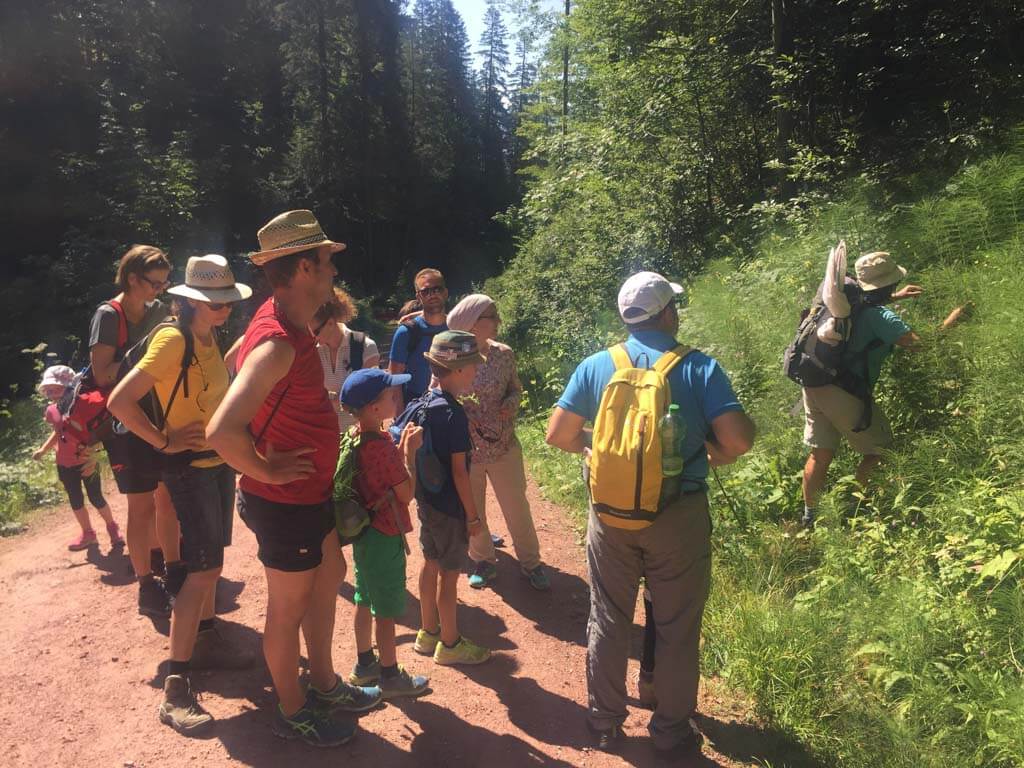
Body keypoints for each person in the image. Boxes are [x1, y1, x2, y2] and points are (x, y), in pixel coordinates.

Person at [546, 271, 756, 758]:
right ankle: (670, 729)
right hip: (676, 516)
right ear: (666, 314)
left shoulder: (599, 365)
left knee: (609, 616)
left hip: (610, 515)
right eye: (674, 307)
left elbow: (557, 434)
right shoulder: (699, 368)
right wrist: (714, 449)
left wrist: (597, 453)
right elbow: (739, 440)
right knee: (678, 623)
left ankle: (603, 721)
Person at [206, 210, 380, 748]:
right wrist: (264, 465)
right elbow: (220, 430)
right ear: (305, 267)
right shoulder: (279, 341)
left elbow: (236, 359)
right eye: (326, 261)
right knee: (288, 608)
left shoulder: (283, 321)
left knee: (328, 577)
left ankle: (324, 682)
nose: (332, 271)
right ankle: (291, 707)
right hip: (284, 501)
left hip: (308, 495)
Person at [108, 254, 255, 735]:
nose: (224, 309)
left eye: (227, 301)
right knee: (203, 569)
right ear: (189, 301)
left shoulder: (210, 337)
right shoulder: (173, 339)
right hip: (189, 468)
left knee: (212, 561)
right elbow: (120, 401)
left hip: (216, 464)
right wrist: (164, 440)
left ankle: (208, 637)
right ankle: (177, 685)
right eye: (215, 303)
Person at [89, 244, 181, 618]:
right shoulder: (108, 316)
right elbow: (102, 374)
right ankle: (146, 584)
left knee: (168, 497)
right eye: (154, 283)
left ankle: (173, 570)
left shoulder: (159, 309)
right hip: (125, 422)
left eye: (164, 283)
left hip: (160, 415)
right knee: (140, 505)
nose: (160, 290)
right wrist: (143, 358)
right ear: (132, 279)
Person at [800, 252, 922, 527]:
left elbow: (869, 303)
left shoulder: (842, 301)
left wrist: (895, 297)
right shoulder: (882, 318)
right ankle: (857, 510)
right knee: (879, 450)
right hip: (843, 390)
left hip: (815, 382)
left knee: (820, 454)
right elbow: (922, 343)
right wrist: (954, 319)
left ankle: (809, 517)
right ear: (889, 284)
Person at [444, 294, 549, 591]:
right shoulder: (450, 355)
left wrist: (511, 404)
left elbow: (516, 389)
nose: (499, 321)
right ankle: (483, 561)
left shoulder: (504, 353)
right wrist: (462, 417)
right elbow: (439, 395)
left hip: (504, 446)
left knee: (517, 507)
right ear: (473, 324)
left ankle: (531, 563)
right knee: (473, 509)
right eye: (493, 316)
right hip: (467, 450)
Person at [339, 368, 430, 698]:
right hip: (385, 532)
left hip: (363, 533)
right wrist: (409, 454)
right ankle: (390, 676)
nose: (397, 397)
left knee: (364, 596)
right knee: (387, 610)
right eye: (390, 395)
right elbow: (405, 494)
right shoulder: (384, 449)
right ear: (374, 409)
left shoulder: (353, 436)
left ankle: (365, 665)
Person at [411, 330, 492, 666]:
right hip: (448, 508)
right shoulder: (454, 414)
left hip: (427, 502)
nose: (475, 372)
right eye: (472, 366)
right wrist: (473, 519)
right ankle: (450, 642)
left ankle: (427, 632)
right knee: (450, 572)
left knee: (430, 563)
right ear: (457, 370)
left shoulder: (423, 403)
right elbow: (460, 473)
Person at [33, 365, 123, 551]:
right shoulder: (51, 410)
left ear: (68, 387)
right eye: (48, 390)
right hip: (64, 463)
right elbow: (58, 433)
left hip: (86, 461)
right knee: (75, 499)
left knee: (96, 497)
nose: (51, 393)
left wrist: (92, 455)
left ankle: (112, 528)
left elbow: (96, 433)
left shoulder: (82, 406)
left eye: (55, 389)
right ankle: (88, 533)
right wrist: (43, 449)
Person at [311, 286, 380, 433]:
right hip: (325, 433)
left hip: (358, 434)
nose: (312, 337)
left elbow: (372, 399)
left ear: (330, 323)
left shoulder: (365, 347)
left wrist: (329, 398)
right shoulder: (313, 351)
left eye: (315, 332)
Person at [388, 268, 448, 404]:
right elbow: (394, 381)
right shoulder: (406, 333)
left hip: (451, 407)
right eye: (426, 291)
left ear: (445, 292)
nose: (432, 295)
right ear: (418, 296)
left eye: (437, 289)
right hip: (415, 408)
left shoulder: (457, 328)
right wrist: (401, 418)